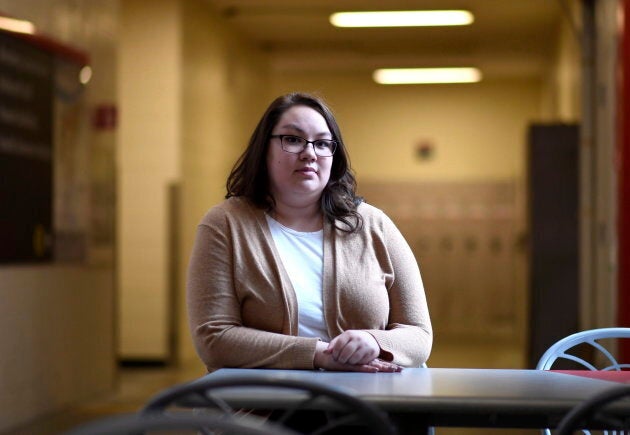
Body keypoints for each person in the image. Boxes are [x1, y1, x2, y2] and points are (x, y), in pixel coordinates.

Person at [187, 92, 432, 374]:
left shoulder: (374, 226)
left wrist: (374, 341)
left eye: (323, 143)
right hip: (265, 408)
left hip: (371, 403)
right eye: (292, 139)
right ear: (263, 149)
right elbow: (214, 338)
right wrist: (318, 354)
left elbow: (419, 335)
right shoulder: (225, 225)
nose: (310, 153)